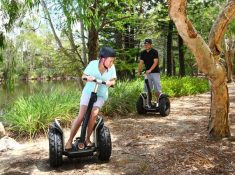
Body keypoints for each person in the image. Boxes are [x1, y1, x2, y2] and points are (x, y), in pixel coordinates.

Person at [65, 46, 117, 150]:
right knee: (81, 116)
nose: (111, 63)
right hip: (88, 93)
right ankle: (69, 140)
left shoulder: (112, 68)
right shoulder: (93, 64)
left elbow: (113, 81)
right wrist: (87, 78)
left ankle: (87, 139)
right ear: (103, 59)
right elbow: (83, 76)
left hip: (101, 95)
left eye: (113, 61)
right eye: (110, 61)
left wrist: (109, 83)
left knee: (94, 114)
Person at [137, 39, 162, 106]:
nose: (146, 45)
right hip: (147, 73)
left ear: (151, 44)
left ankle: (158, 102)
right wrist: (138, 71)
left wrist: (150, 70)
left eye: (147, 44)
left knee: (157, 88)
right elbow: (141, 63)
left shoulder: (154, 52)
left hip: (155, 72)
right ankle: (148, 103)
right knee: (147, 88)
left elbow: (155, 62)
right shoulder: (142, 53)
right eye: (145, 44)